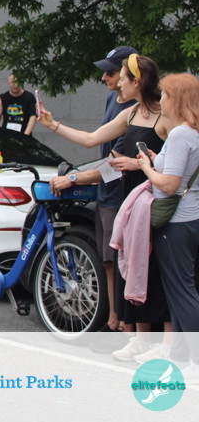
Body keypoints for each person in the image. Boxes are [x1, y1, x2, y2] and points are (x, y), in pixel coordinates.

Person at [40, 53, 172, 362]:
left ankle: (165, 344)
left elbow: (181, 159)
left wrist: (142, 164)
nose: (116, 84)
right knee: (133, 267)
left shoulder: (166, 115)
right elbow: (91, 140)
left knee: (157, 271)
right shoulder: (130, 113)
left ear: (137, 81)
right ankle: (139, 340)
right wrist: (53, 124)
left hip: (158, 202)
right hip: (133, 201)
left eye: (121, 78)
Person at [47, 44, 138, 333]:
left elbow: (115, 163)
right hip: (107, 195)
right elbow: (93, 140)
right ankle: (115, 317)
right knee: (108, 260)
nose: (105, 78)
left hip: (126, 196)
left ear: (130, 76)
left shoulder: (137, 112)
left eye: (111, 73)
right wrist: (54, 125)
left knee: (125, 262)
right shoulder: (114, 101)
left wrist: (73, 179)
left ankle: (126, 323)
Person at [137, 73, 199, 381]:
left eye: (164, 95)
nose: (160, 100)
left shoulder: (179, 135)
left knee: (182, 291)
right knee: (181, 290)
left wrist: (147, 168)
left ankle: (196, 361)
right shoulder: (194, 133)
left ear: (176, 99)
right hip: (192, 219)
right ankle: (180, 355)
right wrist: (156, 160)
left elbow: (171, 184)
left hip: (175, 221)